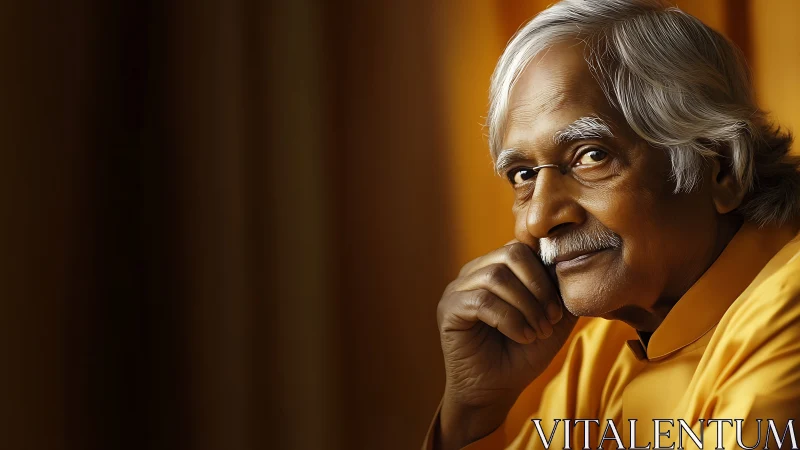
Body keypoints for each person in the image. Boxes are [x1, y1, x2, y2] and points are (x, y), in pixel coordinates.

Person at [423, 1, 800, 449]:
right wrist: (474, 410)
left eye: (591, 156)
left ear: (721, 168)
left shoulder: (790, 304)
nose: (540, 218)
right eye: (523, 175)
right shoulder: (598, 351)